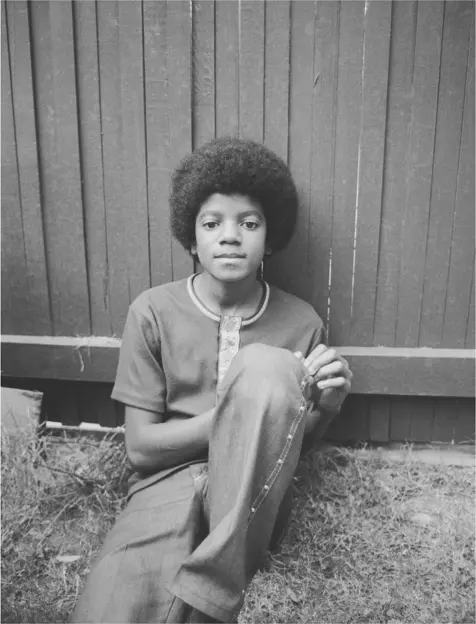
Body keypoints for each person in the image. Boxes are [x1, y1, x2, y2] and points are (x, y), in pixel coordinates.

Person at [71, 137, 352, 623]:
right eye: (212, 222)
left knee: (265, 365)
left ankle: (209, 601)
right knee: (114, 602)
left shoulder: (301, 322)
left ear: (270, 235)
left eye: (249, 223)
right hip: (165, 483)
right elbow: (139, 449)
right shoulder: (153, 311)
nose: (230, 236)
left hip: (253, 492)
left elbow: (291, 444)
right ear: (192, 235)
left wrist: (326, 405)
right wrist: (234, 415)